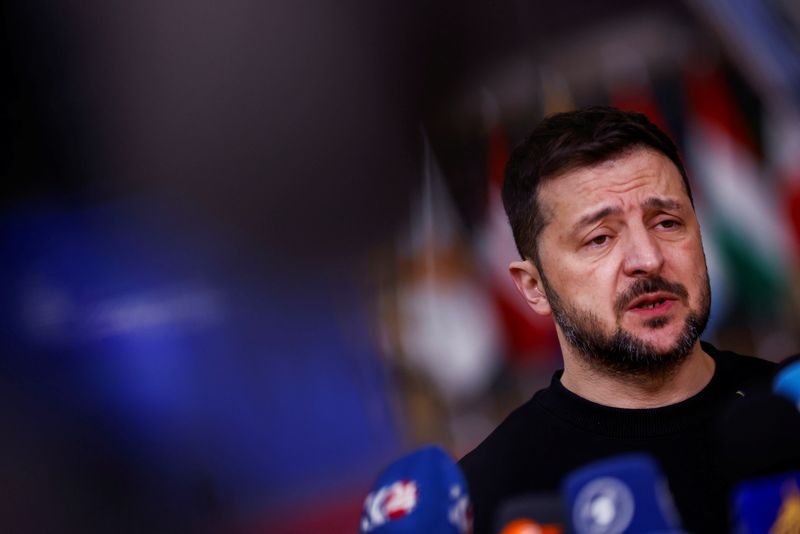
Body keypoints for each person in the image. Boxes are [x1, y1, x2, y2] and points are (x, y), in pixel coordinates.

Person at [458, 106, 779, 534]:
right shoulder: (485, 498)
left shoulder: (787, 407)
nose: (648, 259)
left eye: (667, 222)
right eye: (600, 239)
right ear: (533, 287)